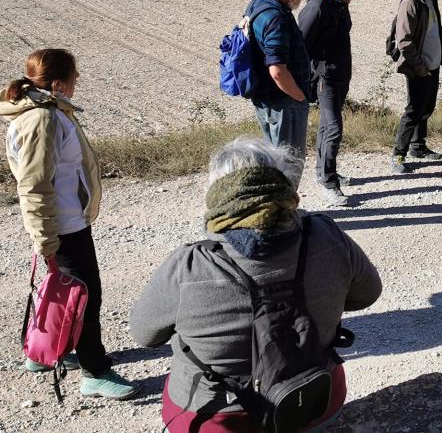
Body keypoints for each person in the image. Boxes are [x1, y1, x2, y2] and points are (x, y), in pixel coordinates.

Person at [130, 137, 382, 432]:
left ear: (219, 196)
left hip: (222, 417)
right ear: (284, 187)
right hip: (314, 400)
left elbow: (144, 334)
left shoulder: (189, 266)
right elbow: (367, 294)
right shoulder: (326, 235)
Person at [0, 49, 138, 399]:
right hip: (62, 226)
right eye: (74, 78)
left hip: (65, 221)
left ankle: (43, 354)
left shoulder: (48, 112)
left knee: (62, 293)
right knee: (85, 297)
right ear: (58, 83)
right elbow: (33, 185)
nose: (77, 83)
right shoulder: (41, 120)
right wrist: (46, 241)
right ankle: (95, 371)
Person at [299, 0, 364, 207]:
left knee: (327, 127)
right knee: (334, 128)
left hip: (340, 75)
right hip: (325, 78)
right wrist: (310, 78)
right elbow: (301, 47)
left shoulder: (339, 3)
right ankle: (329, 183)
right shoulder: (316, 8)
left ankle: (324, 172)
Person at [246, 0, 312, 188]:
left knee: (274, 158)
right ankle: (284, 214)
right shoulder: (277, 19)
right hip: (283, 101)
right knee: (288, 162)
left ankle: (277, 209)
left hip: (265, 98)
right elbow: (277, 70)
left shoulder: (258, 3)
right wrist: (299, 96)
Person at [391, 0, 442, 174]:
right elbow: (405, 40)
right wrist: (419, 67)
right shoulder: (411, 1)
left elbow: (427, 26)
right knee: (413, 110)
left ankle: (418, 147)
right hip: (418, 66)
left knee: (426, 107)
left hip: (432, 64)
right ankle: (398, 155)